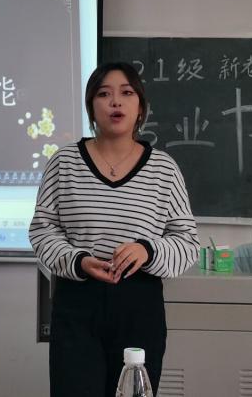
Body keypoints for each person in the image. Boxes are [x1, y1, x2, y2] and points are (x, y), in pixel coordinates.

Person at [30, 62, 199, 397]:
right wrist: (78, 261)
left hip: (139, 306)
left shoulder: (164, 168)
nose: (115, 102)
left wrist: (147, 250)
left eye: (126, 93)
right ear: (91, 107)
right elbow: (42, 230)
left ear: (141, 107)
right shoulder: (64, 162)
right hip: (78, 303)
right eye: (104, 94)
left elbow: (187, 242)